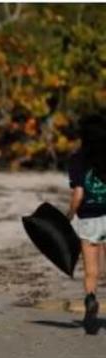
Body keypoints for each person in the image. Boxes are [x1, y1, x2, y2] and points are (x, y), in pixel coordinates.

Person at [67, 114, 106, 334]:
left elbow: (79, 194)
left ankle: (91, 299)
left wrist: (70, 214)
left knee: (91, 270)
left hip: (89, 218)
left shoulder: (77, 159)